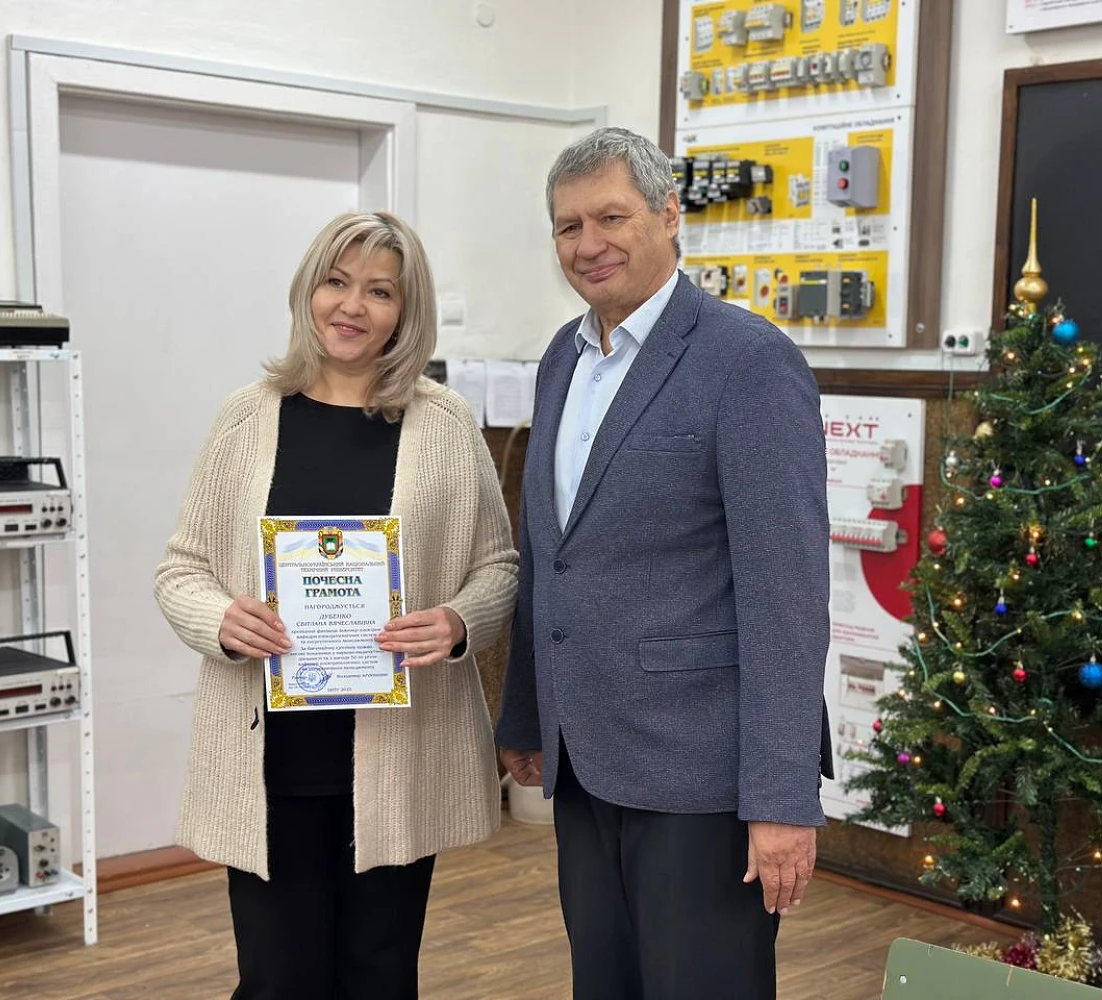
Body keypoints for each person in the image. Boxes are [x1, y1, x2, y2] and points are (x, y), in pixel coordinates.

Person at [496, 127, 833, 1000]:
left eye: (611, 217)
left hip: (701, 779)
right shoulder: (563, 358)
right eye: (568, 226)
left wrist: (781, 797)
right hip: (585, 760)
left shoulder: (747, 361)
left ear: (669, 214)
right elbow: (550, 557)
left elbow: (787, 599)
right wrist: (526, 715)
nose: (588, 244)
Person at [153, 211, 518, 1000]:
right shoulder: (247, 416)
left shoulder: (444, 422)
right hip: (271, 763)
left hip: (397, 760)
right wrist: (219, 619)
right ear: (308, 291)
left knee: (379, 976)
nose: (351, 306)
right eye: (336, 282)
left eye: (379, 291)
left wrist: (459, 622)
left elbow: (497, 567)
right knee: (278, 981)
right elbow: (181, 571)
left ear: (405, 310)